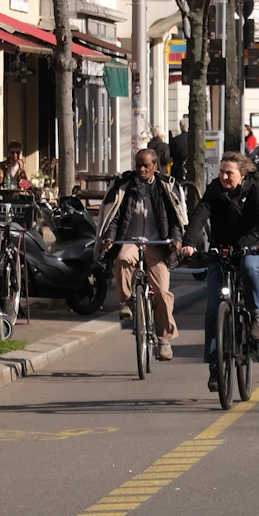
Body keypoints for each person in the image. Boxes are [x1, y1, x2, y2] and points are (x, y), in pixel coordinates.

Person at [178, 153, 259, 389]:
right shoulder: (214, 189)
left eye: (228, 172)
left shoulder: (256, 189)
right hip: (221, 250)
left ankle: (256, 315)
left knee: (252, 270)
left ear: (241, 174)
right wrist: (189, 243)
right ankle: (215, 366)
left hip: (251, 248)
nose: (223, 176)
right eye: (221, 171)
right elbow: (200, 214)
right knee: (213, 310)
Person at [97, 148, 187, 361]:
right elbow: (115, 217)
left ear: (156, 166)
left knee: (163, 293)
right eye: (138, 164)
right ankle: (127, 302)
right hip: (129, 241)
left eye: (146, 165)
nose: (142, 169)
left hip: (157, 244)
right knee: (122, 260)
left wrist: (176, 240)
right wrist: (109, 239)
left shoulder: (165, 187)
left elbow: (175, 219)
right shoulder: (124, 186)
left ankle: (164, 339)